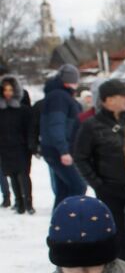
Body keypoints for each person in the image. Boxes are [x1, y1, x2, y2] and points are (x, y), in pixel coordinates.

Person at [73, 80, 125, 264]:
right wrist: (97, 184)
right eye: (122, 95)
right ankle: (121, 265)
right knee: (116, 232)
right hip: (110, 188)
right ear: (107, 100)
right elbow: (80, 157)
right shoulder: (91, 126)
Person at [40, 63, 88, 203]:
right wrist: (63, 150)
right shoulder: (59, 97)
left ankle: (58, 223)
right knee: (78, 187)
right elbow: (56, 124)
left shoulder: (60, 95)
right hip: (59, 151)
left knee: (64, 190)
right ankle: (69, 220)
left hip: (56, 149)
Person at [0, 75, 38, 214]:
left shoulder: (24, 110)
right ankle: (19, 202)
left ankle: (28, 203)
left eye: (10, 89)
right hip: (5, 147)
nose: (8, 93)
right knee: (12, 175)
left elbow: (31, 128)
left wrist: (31, 144)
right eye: (5, 90)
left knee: (24, 174)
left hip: (21, 147)